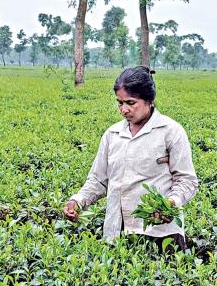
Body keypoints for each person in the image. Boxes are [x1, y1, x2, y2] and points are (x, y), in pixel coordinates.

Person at [62, 66, 198, 249]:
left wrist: (171, 203)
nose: (124, 110)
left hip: (161, 234)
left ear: (149, 100)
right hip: (117, 232)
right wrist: (77, 201)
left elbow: (187, 180)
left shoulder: (171, 132)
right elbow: (98, 180)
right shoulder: (112, 134)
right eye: (120, 103)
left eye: (131, 103)